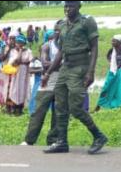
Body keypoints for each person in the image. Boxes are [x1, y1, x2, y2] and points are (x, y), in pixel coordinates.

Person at [44, 1, 108, 155]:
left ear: (79, 6)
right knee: (60, 107)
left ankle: (98, 136)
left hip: (80, 67)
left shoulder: (87, 21)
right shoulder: (63, 24)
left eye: (71, 6)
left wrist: (90, 72)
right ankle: (62, 142)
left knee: (76, 107)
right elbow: (60, 52)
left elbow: (94, 47)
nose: (67, 9)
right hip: (66, 67)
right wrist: (48, 73)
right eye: (65, 6)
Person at [21, 23, 62, 146]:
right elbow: (44, 63)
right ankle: (29, 140)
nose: (58, 33)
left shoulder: (67, 47)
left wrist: (54, 64)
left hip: (62, 82)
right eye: (56, 30)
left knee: (58, 113)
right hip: (47, 80)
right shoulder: (47, 46)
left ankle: (53, 140)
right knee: (38, 111)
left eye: (61, 30)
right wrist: (61, 63)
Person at [96, 35, 121, 111]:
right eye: (112, 40)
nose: (112, 42)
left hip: (120, 73)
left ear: (120, 42)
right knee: (106, 88)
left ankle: (116, 106)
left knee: (118, 89)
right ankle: (98, 106)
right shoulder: (112, 50)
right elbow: (107, 56)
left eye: (114, 41)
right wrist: (111, 62)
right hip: (112, 71)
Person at [6, 35, 33, 116]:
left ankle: (20, 108)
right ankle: (13, 108)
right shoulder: (13, 51)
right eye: (18, 42)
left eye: (21, 43)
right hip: (15, 74)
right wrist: (21, 51)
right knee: (14, 89)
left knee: (23, 89)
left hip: (24, 74)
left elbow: (30, 61)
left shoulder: (28, 51)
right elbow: (15, 62)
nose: (20, 44)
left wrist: (22, 62)